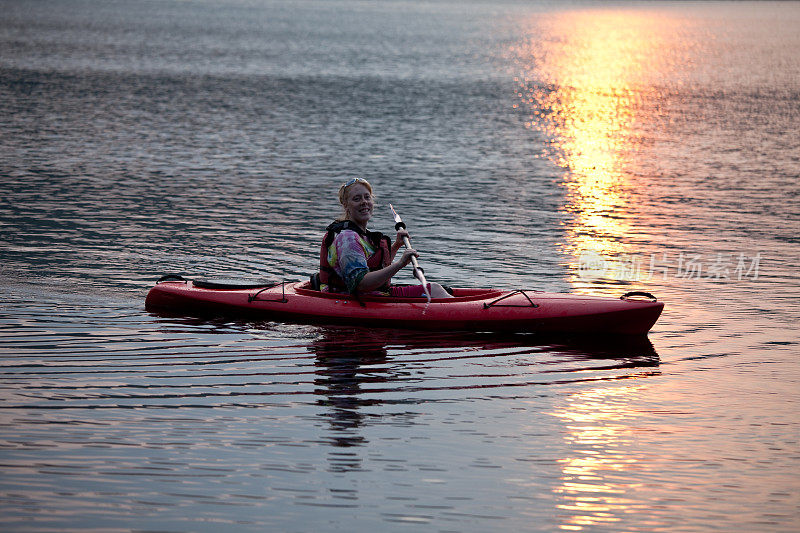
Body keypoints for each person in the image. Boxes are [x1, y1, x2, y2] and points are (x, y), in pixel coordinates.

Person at [318, 177, 453, 298]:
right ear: (346, 205)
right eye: (357, 199)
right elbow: (361, 284)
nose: (364, 202)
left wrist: (396, 246)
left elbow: (375, 267)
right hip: (358, 298)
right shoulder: (347, 238)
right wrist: (400, 264)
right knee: (434, 290)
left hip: (373, 294)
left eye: (367, 197)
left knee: (439, 289)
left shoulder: (360, 234)